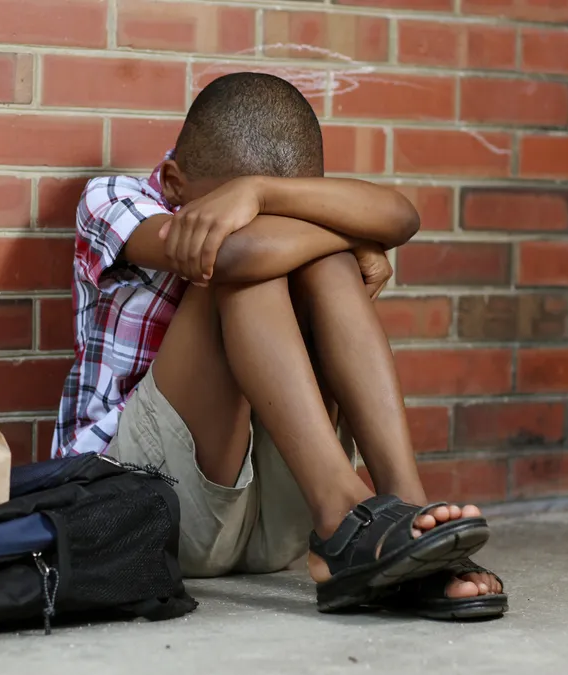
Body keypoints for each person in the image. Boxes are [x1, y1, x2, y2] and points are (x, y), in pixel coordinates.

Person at [52, 72, 506, 619]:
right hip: (143, 508)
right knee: (240, 265)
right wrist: (354, 234)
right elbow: (238, 256)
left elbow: (403, 216)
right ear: (174, 183)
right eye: (239, 199)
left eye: (288, 201)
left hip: (274, 522)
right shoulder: (114, 199)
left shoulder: (265, 193)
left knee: (321, 263)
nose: (262, 212)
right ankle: (347, 514)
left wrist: (261, 195)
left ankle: (400, 518)